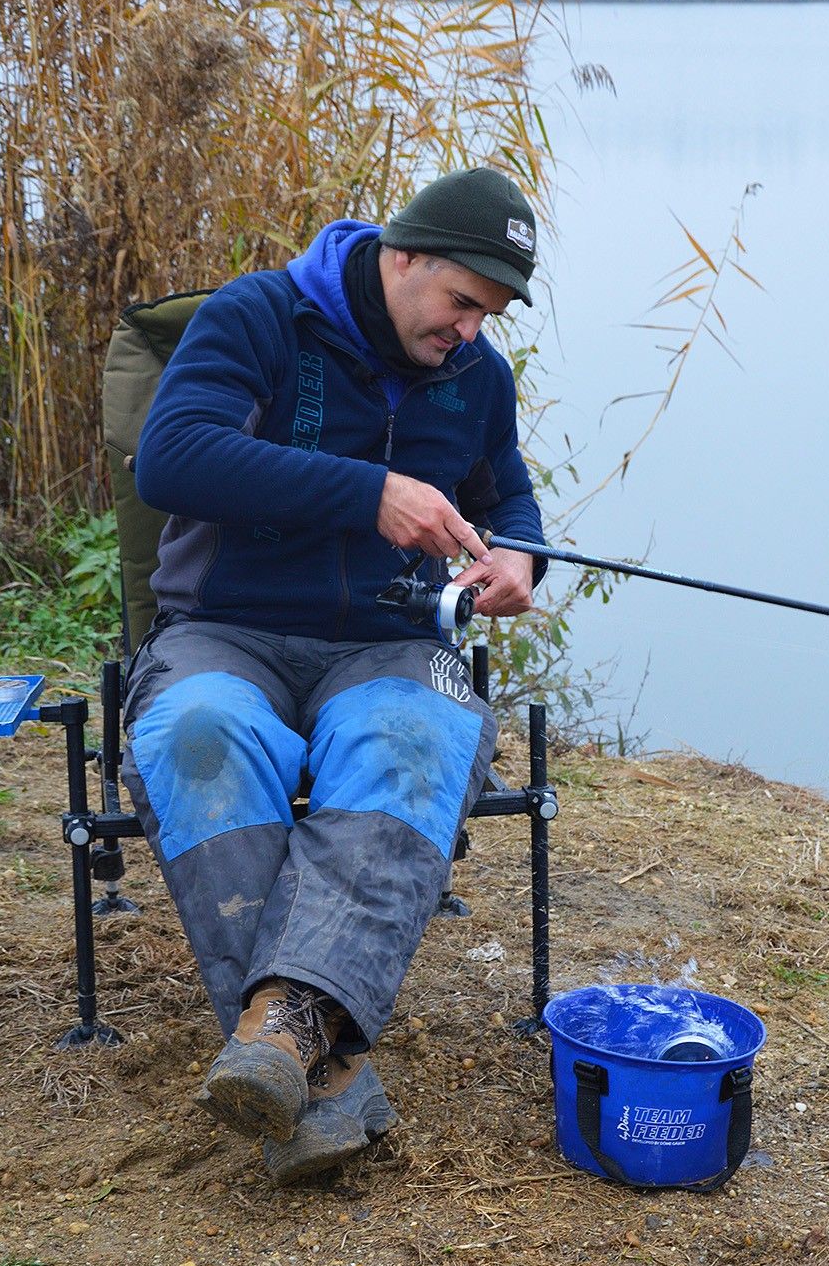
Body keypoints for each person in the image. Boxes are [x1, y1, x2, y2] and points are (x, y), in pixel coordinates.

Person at [121, 168, 547, 1185]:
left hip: (392, 644)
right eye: (461, 304)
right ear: (403, 258)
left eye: (488, 315)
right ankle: (331, 1062)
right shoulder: (259, 317)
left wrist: (521, 557)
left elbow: (514, 497)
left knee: (414, 740)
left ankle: (281, 1034)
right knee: (198, 736)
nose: (471, 333)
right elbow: (171, 460)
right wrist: (370, 495)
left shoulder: (477, 378)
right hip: (229, 629)